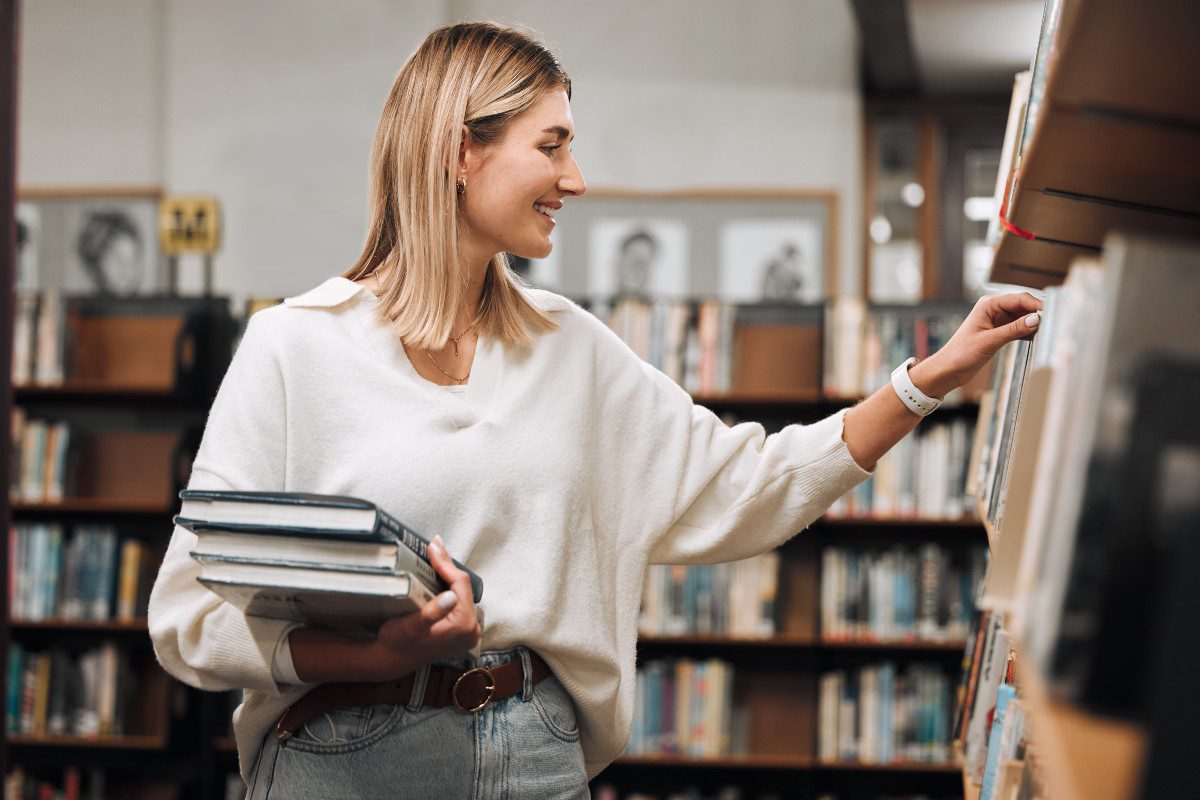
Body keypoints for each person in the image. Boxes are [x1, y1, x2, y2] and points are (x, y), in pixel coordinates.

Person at [146, 20, 1042, 800]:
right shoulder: (294, 348)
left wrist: (928, 381)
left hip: (539, 752)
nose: (575, 178)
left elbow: (746, 483)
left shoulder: (569, 347)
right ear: (462, 151)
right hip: (347, 757)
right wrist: (377, 656)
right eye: (552, 145)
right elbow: (190, 616)